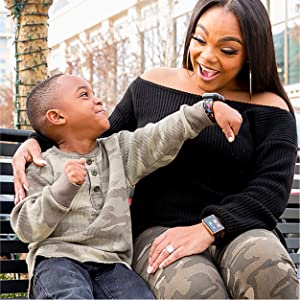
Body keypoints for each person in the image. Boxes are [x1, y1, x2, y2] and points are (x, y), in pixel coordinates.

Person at [11, 0, 299, 299]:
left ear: (253, 52)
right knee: (197, 290)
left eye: (227, 50)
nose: (207, 56)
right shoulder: (152, 84)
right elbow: (98, 135)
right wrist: (38, 140)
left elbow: (270, 191)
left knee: (270, 273)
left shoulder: (271, 107)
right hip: (159, 233)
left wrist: (207, 228)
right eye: (199, 40)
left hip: (241, 230)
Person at [10, 73, 242, 299]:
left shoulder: (119, 151)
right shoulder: (41, 165)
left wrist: (206, 110)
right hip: (58, 261)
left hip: (112, 265)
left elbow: (160, 135)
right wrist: (63, 188)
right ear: (57, 117)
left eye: (94, 93)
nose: (97, 99)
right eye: (84, 95)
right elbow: (27, 228)